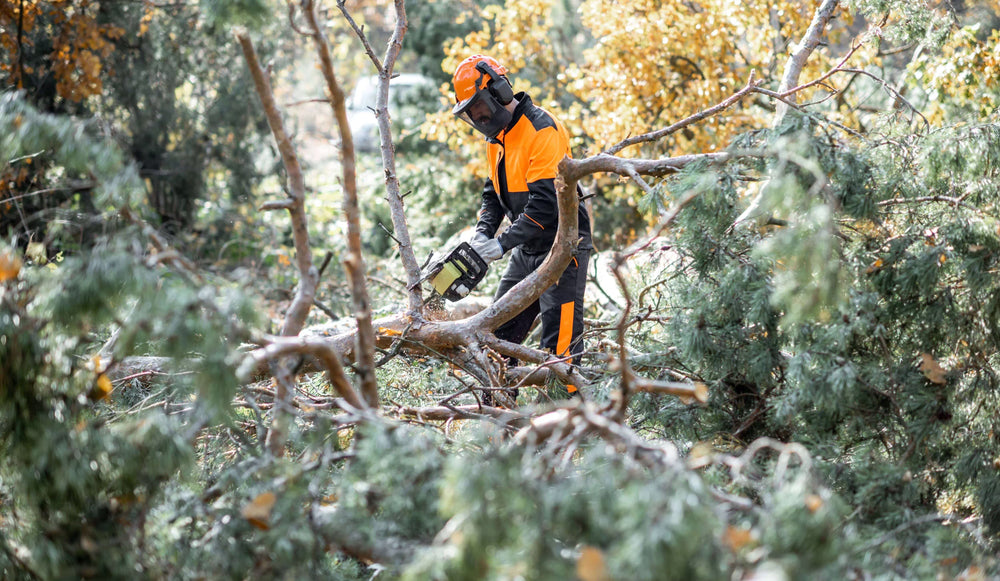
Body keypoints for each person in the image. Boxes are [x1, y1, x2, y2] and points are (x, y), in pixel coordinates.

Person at [451, 54, 593, 404]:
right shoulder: (496, 138)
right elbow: (493, 192)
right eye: (470, 112)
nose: (477, 117)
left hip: (562, 247)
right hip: (526, 248)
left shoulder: (540, 129)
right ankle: (497, 420)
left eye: (479, 107)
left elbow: (545, 205)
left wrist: (501, 245)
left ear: (499, 91)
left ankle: (567, 426)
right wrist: (484, 233)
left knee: (559, 348)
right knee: (496, 335)